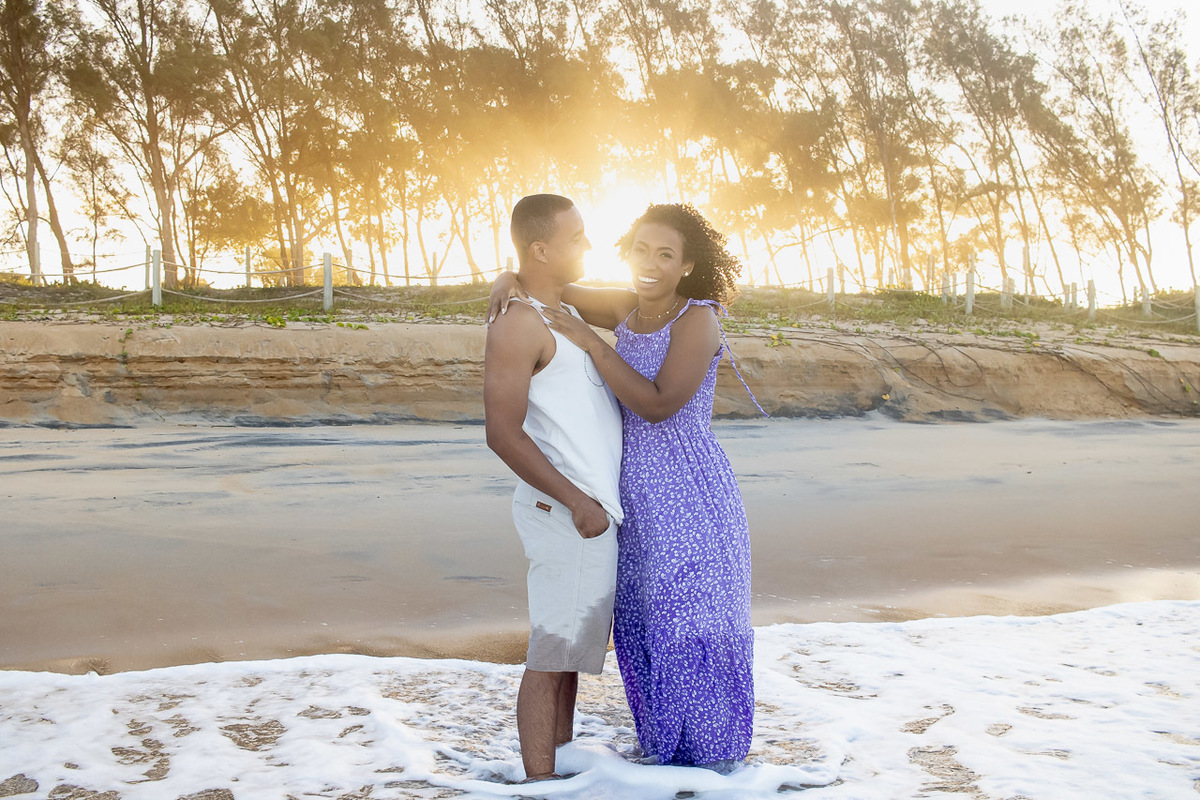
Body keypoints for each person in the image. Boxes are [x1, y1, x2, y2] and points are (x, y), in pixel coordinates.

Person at [489, 203, 757, 769]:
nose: (650, 264)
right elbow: (552, 287)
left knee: (691, 622)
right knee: (644, 625)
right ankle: (663, 757)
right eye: (641, 249)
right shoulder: (625, 305)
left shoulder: (698, 319)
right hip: (628, 495)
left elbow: (658, 404)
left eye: (666, 255)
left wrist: (592, 344)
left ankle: (709, 765)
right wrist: (507, 276)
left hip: (688, 494)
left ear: (688, 266)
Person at [483, 193, 624, 782]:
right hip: (565, 512)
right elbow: (501, 434)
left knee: (567, 655)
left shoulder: (563, 311)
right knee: (550, 656)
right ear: (542, 248)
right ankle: (540, 784)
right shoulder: (519, 324)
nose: (589, 246)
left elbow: (636, 305)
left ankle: (556, 768)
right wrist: (577, 502)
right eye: (578, 237)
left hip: (588, 512)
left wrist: (512, 272)